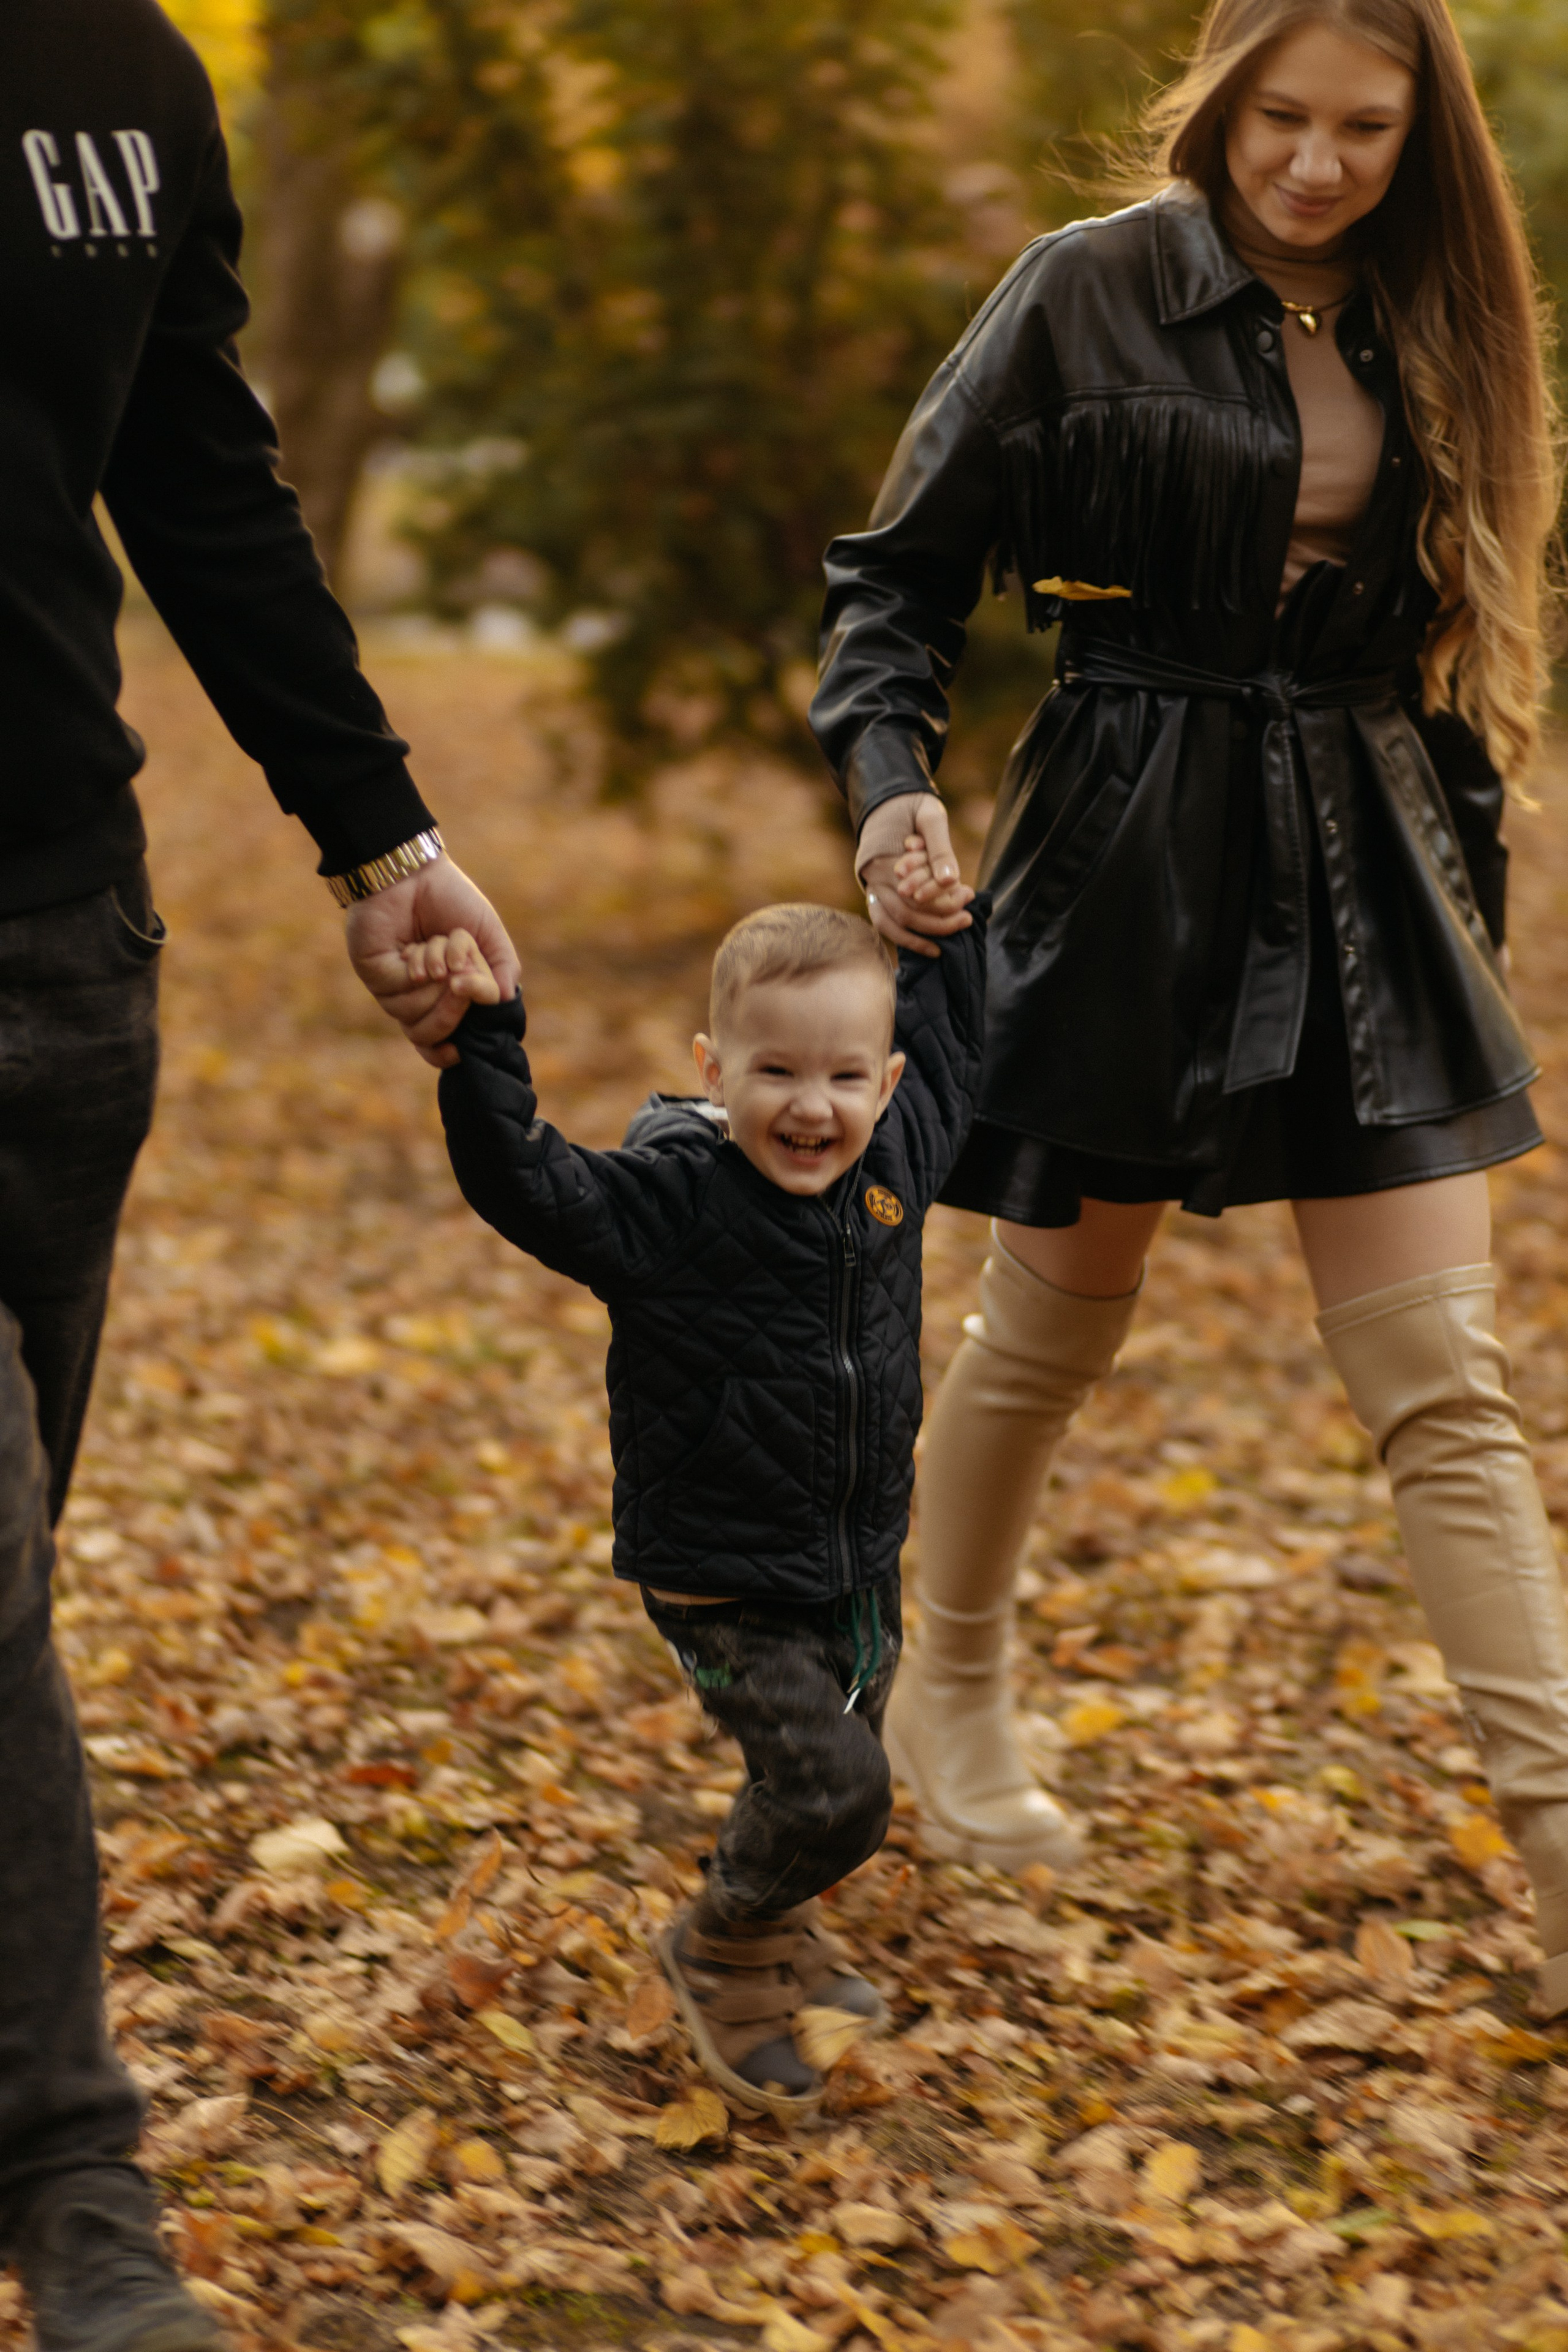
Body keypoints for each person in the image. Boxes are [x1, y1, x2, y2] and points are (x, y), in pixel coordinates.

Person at [809, 0, 1568, 2005]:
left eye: (1365, 130)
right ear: (1222, 101)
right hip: (1128, 853)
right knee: (1055, 1328)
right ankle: (949, 1687)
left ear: (1421, 136)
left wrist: (1468, 911)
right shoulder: (1086, 288)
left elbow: (1454, 655)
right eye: (1282, 118)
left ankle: (1565, 1844)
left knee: (1447, 1383)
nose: (1316, 164)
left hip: (1370, 861)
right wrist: (891, 797)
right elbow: (894, 582)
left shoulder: (1444, 316)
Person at [2, 3, 517, 2345]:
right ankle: (77, 2187)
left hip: (59, 954)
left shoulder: (121, 70)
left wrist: (378, 838)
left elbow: (196, 471)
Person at [418, 898, 986, 2114]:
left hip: (852, 1559)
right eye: (775, 1071)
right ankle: (721, 1945)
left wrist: (942, 923)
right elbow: (525, 1179)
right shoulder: (671, 1202)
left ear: (885, 1083)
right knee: (837, 1792)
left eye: (844, 1076)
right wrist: (484, 1044)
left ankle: (774, 1924)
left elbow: (956, 1042)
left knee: (826, 1769)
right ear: (712, 1069)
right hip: (721, 1578)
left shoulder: (894, 1164)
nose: (812, 1106)